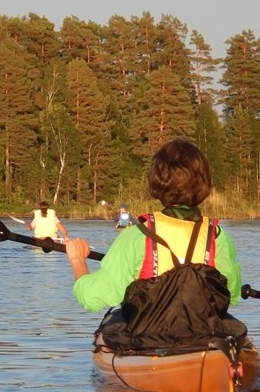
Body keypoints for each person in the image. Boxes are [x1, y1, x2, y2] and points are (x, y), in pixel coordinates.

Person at [65, 139, 242, 335]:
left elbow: (91, 298)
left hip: (148, 337)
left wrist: (77, 260)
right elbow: (232, 294)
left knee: (113, 319)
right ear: (204, 184)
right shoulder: (217, 237)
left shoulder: (136, 236)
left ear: (157, 182)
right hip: (202, 334)